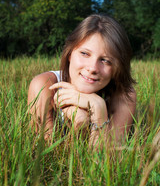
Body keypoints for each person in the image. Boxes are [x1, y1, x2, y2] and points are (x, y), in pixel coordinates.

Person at [28, 14, 136, 147]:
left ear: (117, 67)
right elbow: (47, 156)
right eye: (84, 53)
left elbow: (106, 162)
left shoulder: (124, 94)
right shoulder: (45, 85)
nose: (92, 68)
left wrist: (98, 110)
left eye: (105, 60)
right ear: (69, 53)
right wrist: (80, 122)